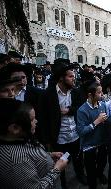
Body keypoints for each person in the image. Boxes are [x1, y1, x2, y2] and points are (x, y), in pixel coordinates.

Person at [0, 99, 68, 188]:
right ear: (15, 128)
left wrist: (48, 155)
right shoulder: (16, 161)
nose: (36, 121)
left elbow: (29, 154)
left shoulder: (17, 138)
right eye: (32, 119)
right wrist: (57, 169)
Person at [42, 58, 86, 188]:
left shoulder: (76, 92)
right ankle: (62, 183)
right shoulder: (48, 95)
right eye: (71, 76)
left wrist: (69, 110)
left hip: (75, 135)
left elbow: (80, 106)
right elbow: (44, 118)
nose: (74, 78)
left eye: (74, 76)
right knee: (60, 163)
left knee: (78, 159)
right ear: (61, 78)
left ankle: (80, 175)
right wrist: (47, 141)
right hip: (59, 138)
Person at [76, 81, 109, 189]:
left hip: (102, 142)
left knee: (102, 163)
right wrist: (97, 121)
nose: (102, 94)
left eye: (102, 92)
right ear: (90, 95)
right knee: (91, 172)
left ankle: (100, 174)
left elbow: (105, 121)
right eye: (99, 92)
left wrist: (105, 121)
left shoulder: (103, 105)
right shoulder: (82, 110)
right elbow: (81, 131)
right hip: (89, 145)